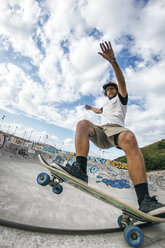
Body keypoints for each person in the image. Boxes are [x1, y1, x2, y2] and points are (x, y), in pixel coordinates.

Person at [56, 41, 164, 215]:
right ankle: (80, 170)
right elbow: (99, 110)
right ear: (105, 93)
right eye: (108, 90)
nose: (111, 91)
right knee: (82, 124)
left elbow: (122, 82)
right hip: (102, 131)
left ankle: (145, 200)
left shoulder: (121, 98)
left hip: (116, 131)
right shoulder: (105, 105)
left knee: (129, 137)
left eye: (112, 89)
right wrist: (91, 109)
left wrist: (113, 61)